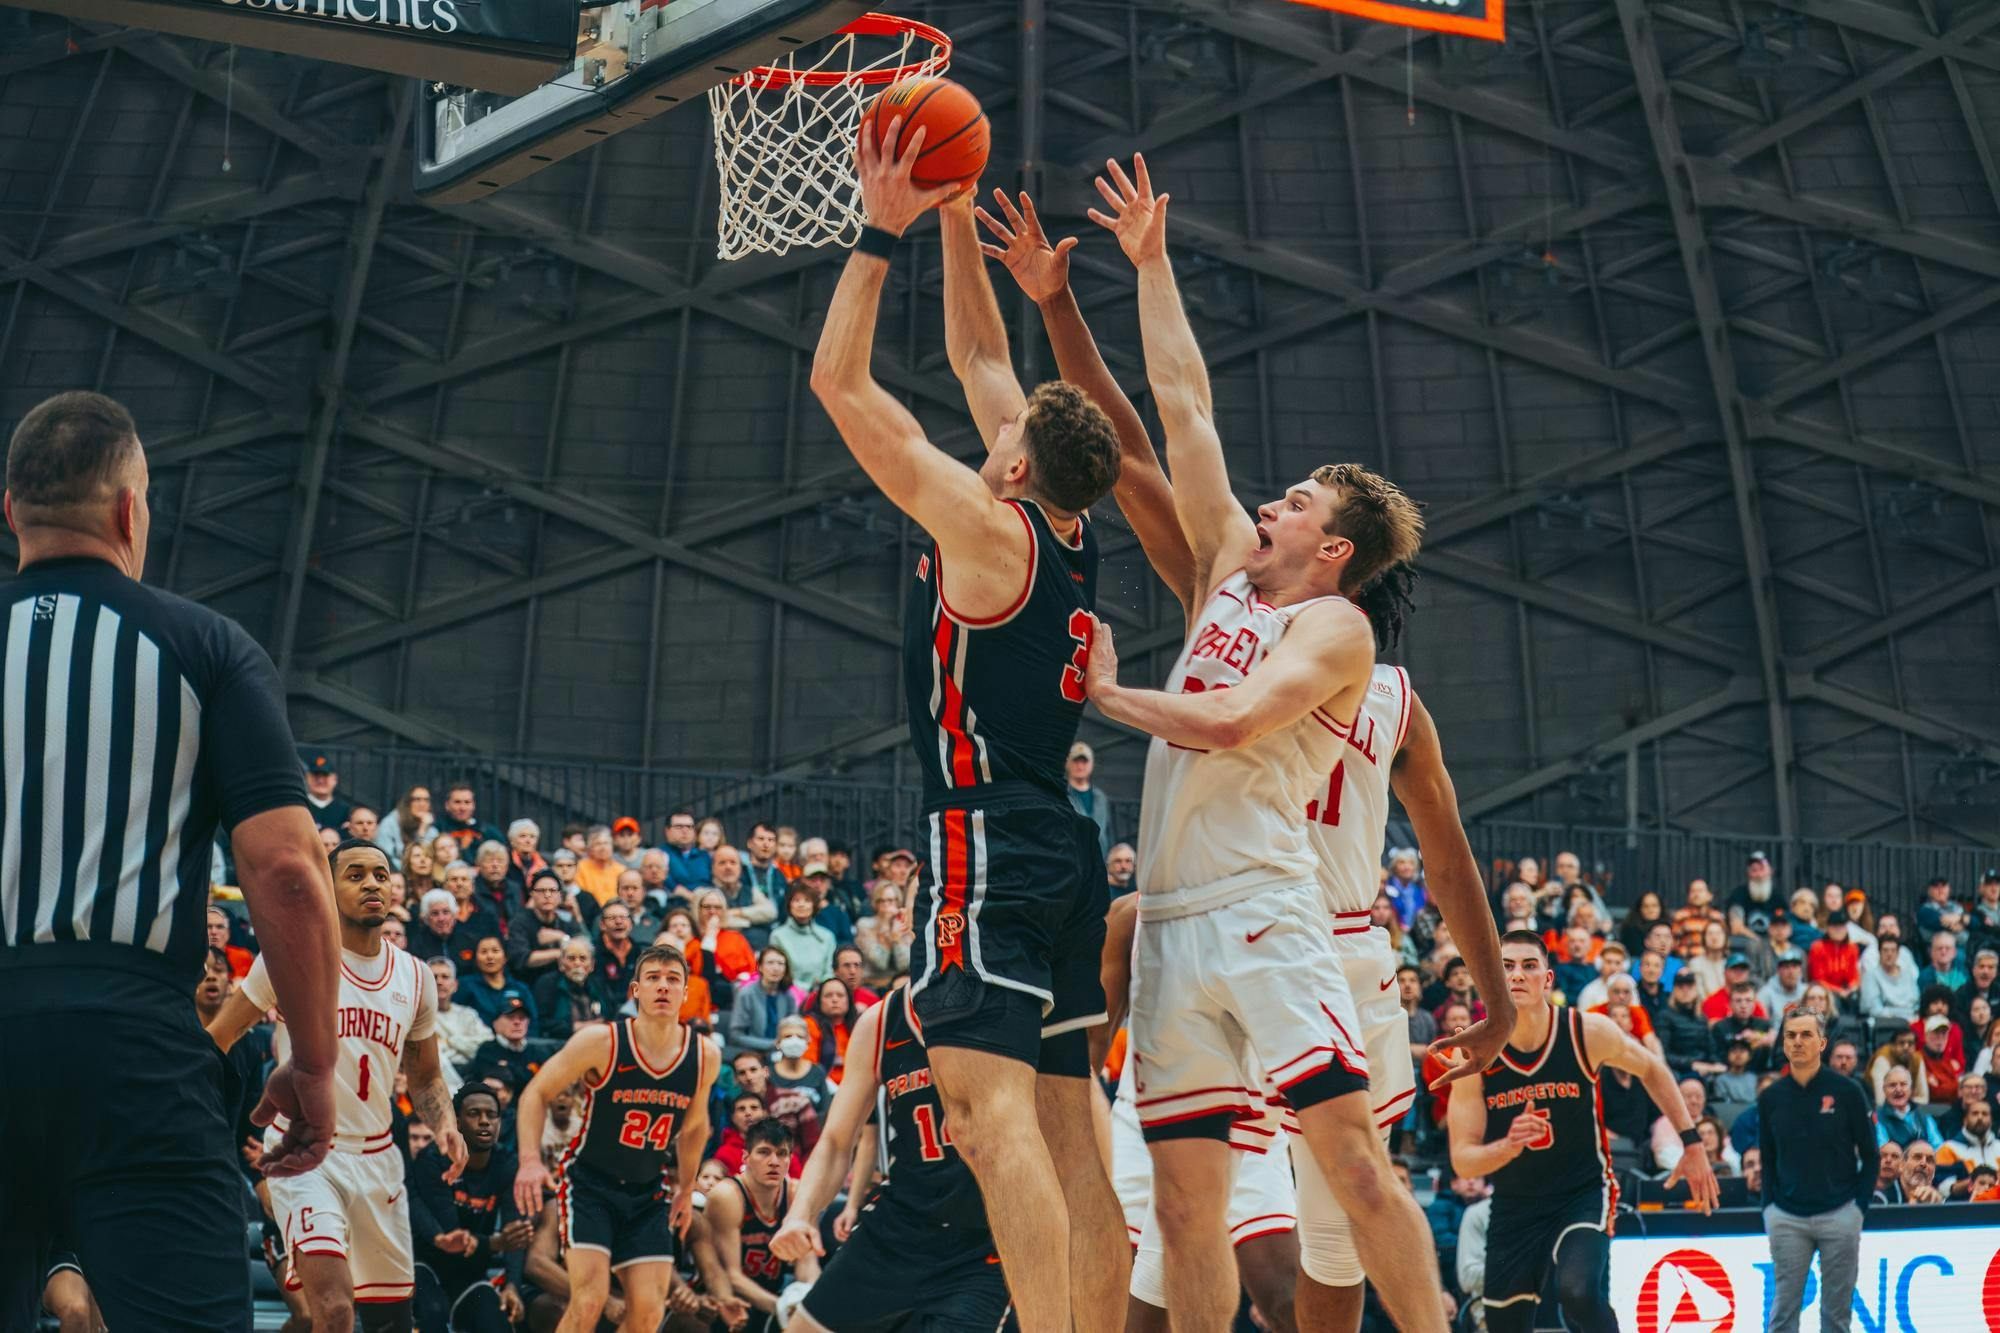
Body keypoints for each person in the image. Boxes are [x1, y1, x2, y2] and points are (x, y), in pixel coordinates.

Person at [1067, 152, 1455, 1333]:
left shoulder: (1333, 628)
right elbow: (1182, 405)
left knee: (1346, 1161)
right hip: (1175, 918)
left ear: (1335, 548)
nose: (1272, 505)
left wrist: (1111, 695)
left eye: (1296, 504)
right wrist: (1149, 266)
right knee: (1183, 1214)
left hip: (1261, 906)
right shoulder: (1229, 572)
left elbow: (1234, 721)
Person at [811, 135, 1131, 1333]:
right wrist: (956, 212)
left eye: (998, 433)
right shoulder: (1071, 527)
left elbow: (845, 391)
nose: (986, 428)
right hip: (1062, 845)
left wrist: (883, 228)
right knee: (1067, 1138)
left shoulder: (989, 531)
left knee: (989, 1126)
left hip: (986, 839)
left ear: (1014, 459)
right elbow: (982, 352)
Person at [0, 393, 346, 1331]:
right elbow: (283, 870)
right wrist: (313, 1060)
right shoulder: (204, 646)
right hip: (134, 1049)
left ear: (11, 512)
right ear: (128, 512)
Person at [207, 839, 466, 1330]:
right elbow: (219, 1036)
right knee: (333, 1308)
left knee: (392, 1321)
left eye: (381, 874)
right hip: (303, 1155)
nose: (372, 883)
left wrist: (445, 1122)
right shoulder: (290, 955)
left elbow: (428, 1076)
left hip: (378, 1159)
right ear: (327, 887)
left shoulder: (415, 977)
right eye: (355, 874)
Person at [1446, 932, 1718, 1333]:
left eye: (1528, 966)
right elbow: (1462, 1158)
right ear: (1491, 979)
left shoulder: (1586, 1030)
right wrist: (1508, 1144)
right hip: (1514, 1202)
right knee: (1505, 1323)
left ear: (1548, 979)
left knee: (1578, 1291)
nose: (1517, 975)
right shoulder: (1474, 1051)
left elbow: (1654, 1070)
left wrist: (1692, 1144)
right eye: (1506, 967)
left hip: (1582, 1192)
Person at [1097, 893, 1302, 1333]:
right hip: (1146, 1116)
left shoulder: (1274, 895)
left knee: (1285, 1299)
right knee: (1134, 1309)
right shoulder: (1131, 915)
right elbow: (1092, 1052)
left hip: (1247, 1113)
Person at [771, 982, 1009, 1333]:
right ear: (904, 924)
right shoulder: (881, 1021)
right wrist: (801, 1214)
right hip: (900, 1223)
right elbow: (838, 1141)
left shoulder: (1014, 1003)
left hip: (985, 1237)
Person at [512, 944, 721, 1333]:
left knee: (647, 1314)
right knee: (589, 1300)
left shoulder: (704, 1054)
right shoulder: (602, 1042)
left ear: (685, 993)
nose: (663, 986)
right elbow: (535, 1093)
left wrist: (686, 1188)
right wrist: (528, 1160)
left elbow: (694, 1128)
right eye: (653, 978)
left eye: (673, 979)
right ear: (635, 990)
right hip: (590, 1184)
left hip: (648, 1191)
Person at [1758, 1010, 1875, 1333]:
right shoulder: (1771, 1097)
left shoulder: (1848, 1092)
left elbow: (1870, 1154)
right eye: (1791, 1035)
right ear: (1783, 1043)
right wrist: (1769, 1208)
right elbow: (1767, 1158)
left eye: (1806, 1035)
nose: (1798, 1041)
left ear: (1822, 1043)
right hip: (1787, 1217)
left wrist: (1858, 1208)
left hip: (1840, 1213)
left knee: (1836, 1317)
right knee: (1783, 1314)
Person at [410, 1084, 532, 1333]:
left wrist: (511, 1286)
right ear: (457, 1121)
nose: (484, 1121)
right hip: (426, 1265)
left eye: (491, 1115)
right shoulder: (434, 1159)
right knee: (434, 1313)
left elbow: (514, 1232)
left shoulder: (507, 1164)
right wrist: (497, 1243)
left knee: (497, 1322)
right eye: (474, 1114)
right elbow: (452, 1235)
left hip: (469, 1274)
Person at [704, 1120, 818, 1332]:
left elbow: (808, 1263)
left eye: (782, 1154)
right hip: (724, 1298)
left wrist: (805, 1298)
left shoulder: (796, 1194)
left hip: (771, 1292)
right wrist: (783, 1308)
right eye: (764, 1152)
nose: (774, 1161)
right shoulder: (728, 1196)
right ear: (745, 1157)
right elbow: (732, 1275)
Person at [728, 947, 801, 1059]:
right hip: (752, 1054)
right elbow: (736, 1035)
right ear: (760, 967)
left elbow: (795, 1028)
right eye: (770, 963)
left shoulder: (788, 996)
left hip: (783, 1054)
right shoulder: (746, 994)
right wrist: (773, 1044)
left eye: (781, 964)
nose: (776, 968)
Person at [534, 936, 608, 1040]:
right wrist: (577, 1027)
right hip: (560, 1045)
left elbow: (609, 1017)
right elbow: (541, 1022)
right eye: (571, 958)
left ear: (592, 965)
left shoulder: (598, 984)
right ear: (561, 964)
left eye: (583, 958)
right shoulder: (547, 983)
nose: (577, 963)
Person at [767, 881, 836, 989]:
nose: (801, 905)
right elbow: (777, 971)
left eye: (807, 900)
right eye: (796, 900)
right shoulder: (778, 936)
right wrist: (805, 988)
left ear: (814, 906)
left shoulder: (827, 936)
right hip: (789, 994)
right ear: (789, 905)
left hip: (821, 996)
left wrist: (821, 990)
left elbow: (830, 971)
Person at [1065, 741, 1115, 860]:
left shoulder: (1101, 797)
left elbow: (1109, 832)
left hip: (1099, 861)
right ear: (1067, 763)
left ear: (1091, 764)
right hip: (1072, 861)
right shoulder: (1060, 794)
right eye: (1076, 761)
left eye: (1084, 761)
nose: (1080, 766)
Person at [1874, 1065, 1941, 1149]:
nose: (1898, 1089)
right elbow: (1884, 1152)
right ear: (1884, 1090)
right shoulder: (1878, 1118)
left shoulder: (1924, 1115)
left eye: (1903, 1084)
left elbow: (1938, 1147)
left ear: (1911, 1089)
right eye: (1892, 1085)